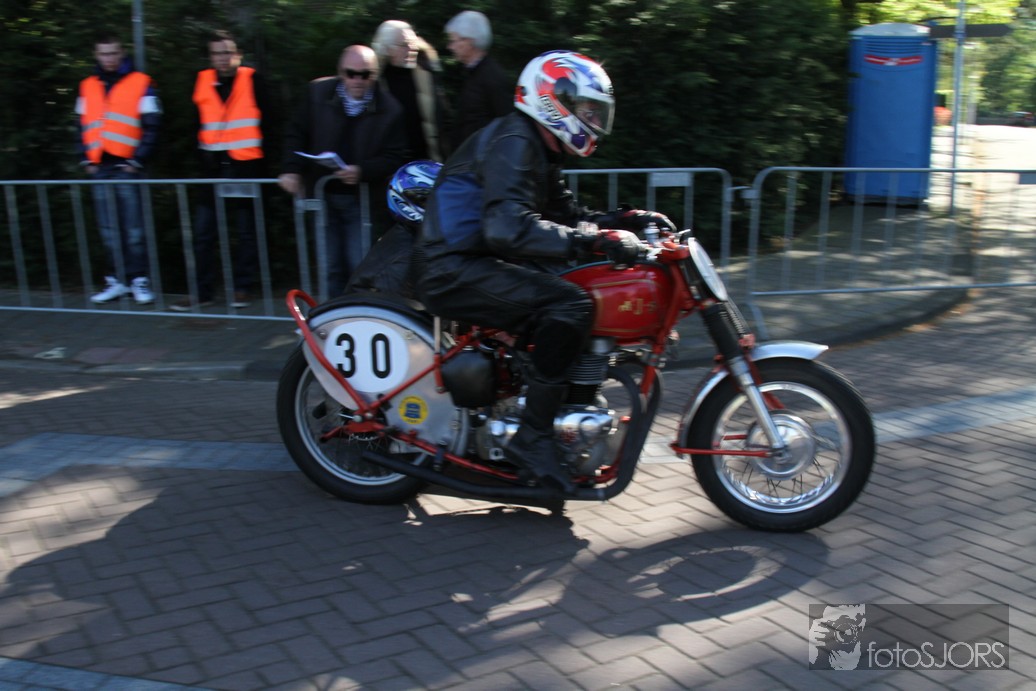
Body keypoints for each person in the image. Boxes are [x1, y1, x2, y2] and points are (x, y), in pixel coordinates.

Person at [415, 50, 674, 494]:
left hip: (474, 259)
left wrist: (621, 220)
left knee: (574, 293)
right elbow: (507, 227)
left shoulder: (537, 145)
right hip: (452, 266)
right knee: (571, 303)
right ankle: (533, 437)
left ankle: (546, 412)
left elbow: (567, 217)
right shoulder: (514, 142)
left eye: (596, 112)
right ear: (554, 101)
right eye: (587, 110)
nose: (594, 121)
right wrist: (592, 241)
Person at [279, 45, 407, 297]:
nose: (358, 80)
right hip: (322, 195)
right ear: (340, 72)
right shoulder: (317, 94)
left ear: (375, 75)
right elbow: (296, 133)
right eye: (351, 73)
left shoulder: (390, 109)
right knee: (329, 266)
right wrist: (291, 169)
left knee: (360, 266)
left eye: (365, 74)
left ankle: (359, 315)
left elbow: (396, 156)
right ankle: (332, 316)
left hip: (362, 200)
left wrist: (362, 171)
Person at [171, 30, 269, 312]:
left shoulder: (254, 80)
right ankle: (202, 292)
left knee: (246, 233)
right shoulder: (201, 81)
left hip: (246, 167)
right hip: (211, 170)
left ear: (237, 54)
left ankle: (243, 289)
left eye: (227, 52)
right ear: (210, 57)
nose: (223, 58)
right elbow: (194, 124)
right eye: (217, 53)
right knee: (203, 234)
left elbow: (271, 122)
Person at [77, 31, 161, 305]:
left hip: (127, 166)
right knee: (108, 230)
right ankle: (117, 281)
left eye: (113, 53)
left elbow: (152, 125)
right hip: (100, 165)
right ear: (96, 55)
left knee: (134, 230)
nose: (109, 58)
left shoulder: (141, 82)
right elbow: (80, 125)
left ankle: (139, 280)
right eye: (104, 54)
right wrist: (86, 160)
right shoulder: (87, 85)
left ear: (121, 53)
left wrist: (138, 160)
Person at [345, 159, 441, 299]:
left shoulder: (414, 237)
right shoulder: (404, 257)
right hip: (371, 309)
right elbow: (399, 305)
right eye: (436, 202)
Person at [372, 20, 450, 162]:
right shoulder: (375, 81)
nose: (412, 48)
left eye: (413, 43)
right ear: (388, 49)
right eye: (404, 45)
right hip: (393, 163)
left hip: (429, 159)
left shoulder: (426, 72)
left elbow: (443, 118)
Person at [443, 10, 512, 151]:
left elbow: (505, 125)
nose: (450, 47)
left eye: (453, 41)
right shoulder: (472, 73)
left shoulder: (491, 77)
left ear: (469, 41)